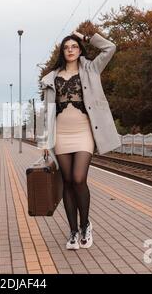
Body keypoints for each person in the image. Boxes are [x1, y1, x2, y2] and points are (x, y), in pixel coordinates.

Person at [41, 31, 118, 250]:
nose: (71, 50)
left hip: (84, 132)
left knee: (78, 179)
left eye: (74, 46)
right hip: (61, 135)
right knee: (67, 182)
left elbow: (110, 48)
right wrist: (45, 142)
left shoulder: (91, 69)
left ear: (80, 49)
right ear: (62, 52)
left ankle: (85, 226)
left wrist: (85, 37)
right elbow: (46, 113)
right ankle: (73, 232)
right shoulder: (51, 78)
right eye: (67, 47)